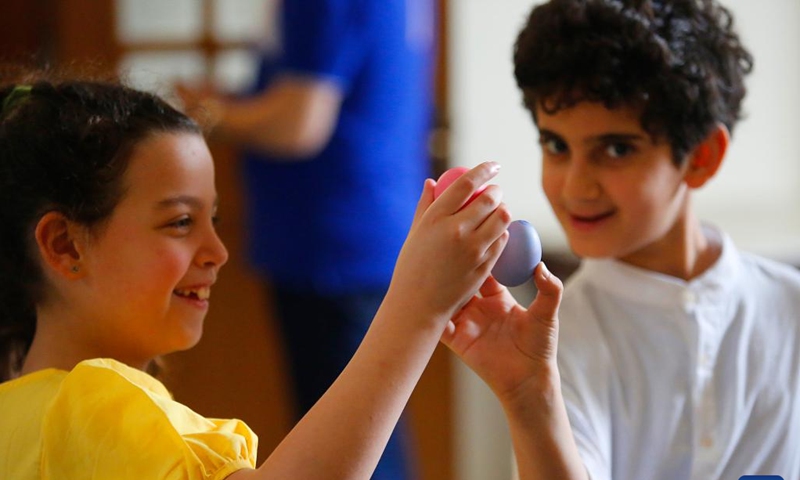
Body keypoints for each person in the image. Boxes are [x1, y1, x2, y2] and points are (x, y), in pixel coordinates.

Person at [0, 72, 565, 479]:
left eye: (213, 219)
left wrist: (526, 392)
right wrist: (416, 307)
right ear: (64, 244)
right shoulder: (91, 407)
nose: (217, 251)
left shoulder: (21, 413)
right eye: (179, 222)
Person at [443, 0, 800, 478]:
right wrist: (531, 400)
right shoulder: (552, 341)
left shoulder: (789, 307)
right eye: (556, 145)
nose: (575, 186)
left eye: (615, 149)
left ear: (701, 156)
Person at [176, 2, 436, 476]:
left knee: (351, 441)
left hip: (331, 238)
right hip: (365, 225)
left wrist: (208, 112)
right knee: (369, 426)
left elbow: (299, 124)